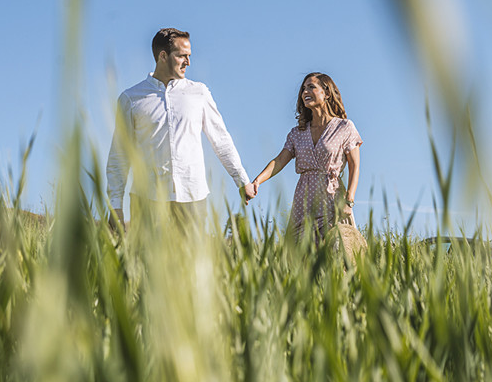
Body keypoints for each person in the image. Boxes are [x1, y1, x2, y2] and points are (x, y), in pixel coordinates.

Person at [106, 27, 251, 231]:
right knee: (147, 262)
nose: (188, 62)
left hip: (193, 198)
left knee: (192, 263)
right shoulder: (131, 98)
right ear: (163, 56)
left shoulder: (199, 93)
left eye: (189, 56)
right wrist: (115, 206)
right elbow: (119, 155)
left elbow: (221, 139)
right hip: (146, 199)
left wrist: (242, 180)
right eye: (182, 56)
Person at [247, 72, 362, 247]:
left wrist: (349, 200)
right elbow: (279, 160)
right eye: (303, 89)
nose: (304, 92)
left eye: (311, 87)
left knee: (336, 253)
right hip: (303, 200)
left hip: (332, 200)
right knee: (299, 257)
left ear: (327, 93)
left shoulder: (344, 127)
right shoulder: (297, 133)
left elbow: (355, 166)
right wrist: (258, 181)